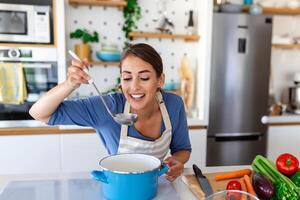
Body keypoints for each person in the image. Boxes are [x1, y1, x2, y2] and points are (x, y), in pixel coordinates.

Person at [29, 43, 191, 181]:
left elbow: (182, 149)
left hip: (155, 185)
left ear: (160, 80)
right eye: (127, 78)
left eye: (144, 78)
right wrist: (70, 84)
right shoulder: (108, 107)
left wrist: (176, 162)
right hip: (119, 187)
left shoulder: (173, 105)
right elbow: (39, 113)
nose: (134, 87)